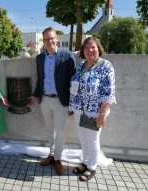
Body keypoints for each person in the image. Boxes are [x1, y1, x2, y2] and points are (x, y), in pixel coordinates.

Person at [29, 27, 75, 175]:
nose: (50, 41)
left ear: (57, 39)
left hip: (61, 101)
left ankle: (58, 159)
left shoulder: (67, 56)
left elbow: (73, 81)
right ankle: (51, 154)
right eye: (47, 39)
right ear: (44, 41)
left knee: (60, 132)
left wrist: (72, 103)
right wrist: (36, 95)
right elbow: (40, 79)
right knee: (50, 131)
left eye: (52, 38)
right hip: (45, 100)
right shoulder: (40, 58)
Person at [69, 36, 116, 181]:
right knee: (83, 139)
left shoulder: (105, 66)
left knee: (93, 140)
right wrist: (71, 106)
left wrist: (103, 113)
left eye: (93, 47)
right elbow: (75, 87)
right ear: (82, 51)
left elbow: (109, 91)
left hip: (94, 111)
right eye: (87, 47)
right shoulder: (81, 66)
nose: (90, 50)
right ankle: (85, 162)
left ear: (98, 49)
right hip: (79, 110)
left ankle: (92, 167)